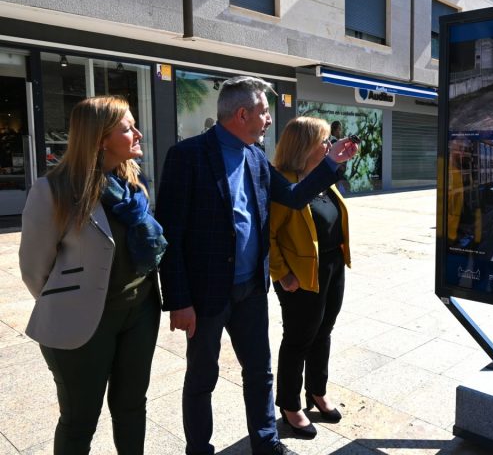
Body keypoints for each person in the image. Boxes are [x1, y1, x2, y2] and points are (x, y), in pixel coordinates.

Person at [155, 76, 357, 455]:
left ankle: (266, 443)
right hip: (206, 294)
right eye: (264, 111)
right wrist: (179, 299)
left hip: (251, 289)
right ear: (242, 113)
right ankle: (199, 449)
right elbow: (171, 236)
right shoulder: (188, 156)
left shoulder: (256, 157)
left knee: (260, 373)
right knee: (202, 377)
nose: (269, 118)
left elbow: (295, 198)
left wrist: (331, 162)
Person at [19, 96, 166, 454]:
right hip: (82, 321)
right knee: (80, 419)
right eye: (127, 127)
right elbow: (34, 271)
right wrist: (75, 298)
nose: (139, 133)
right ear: (100, 138)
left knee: (132, 406)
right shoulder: (53, 191)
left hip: (140, 313)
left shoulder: (134, 185)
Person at [269, 117, 351, 439]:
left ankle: (317, 391)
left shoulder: (322, 178)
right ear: (304, 145)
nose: (329, 146)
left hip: (331, 267)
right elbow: (268, 236)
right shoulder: (283, 183)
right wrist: (283, 274)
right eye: (324, 141)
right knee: (299, 338)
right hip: (300, 276)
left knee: (324, 331)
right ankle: (290, 405)